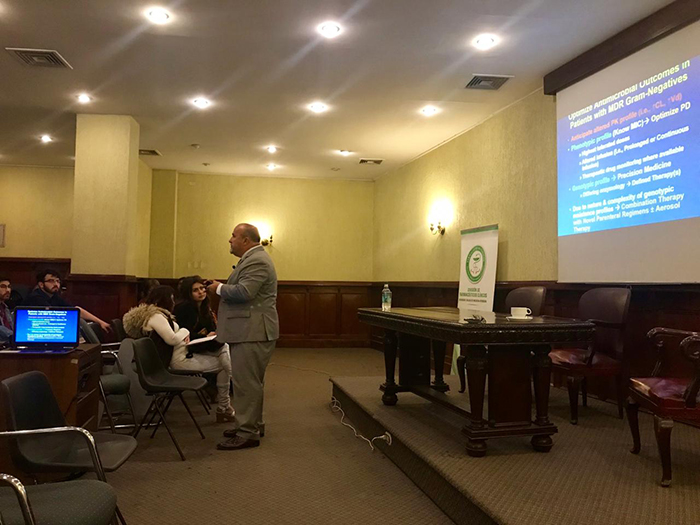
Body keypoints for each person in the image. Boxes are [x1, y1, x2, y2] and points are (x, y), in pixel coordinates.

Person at [208, 223, 278, 451]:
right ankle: (251, 424)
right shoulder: (252, 259)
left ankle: (247, 433)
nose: (230, 240)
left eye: (233, 236)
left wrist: (219, 288)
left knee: (246, 384)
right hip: (250, 330)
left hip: (252, 331)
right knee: (250, 383)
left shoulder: (257, 260)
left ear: (246, 240)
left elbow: (245, 292)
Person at [122, 285, 234, 421]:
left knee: (223, 349)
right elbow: (172, 339)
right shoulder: (156, 316)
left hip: (182, 353)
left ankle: (225, 405)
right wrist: (185, 331)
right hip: (178, 360)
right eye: (172, 298)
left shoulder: (160, 315)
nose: (174, 302)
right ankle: (225, 404)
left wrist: (183, 334)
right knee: (224, 365)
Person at [23, 269, 112, 333]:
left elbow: (75, 310)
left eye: (58, 281)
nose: (56, 284)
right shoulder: (35, 297)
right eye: (51, 281)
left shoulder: (54, 296)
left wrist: (100, 322)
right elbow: (52, 317)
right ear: (41, 284)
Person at [0, 276, 13, 343]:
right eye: (3, 287)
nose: (8, 290)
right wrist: (16, 336)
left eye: (9, 287)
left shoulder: (5, 307)